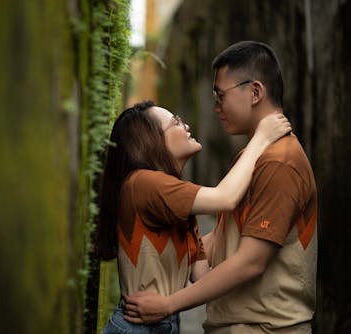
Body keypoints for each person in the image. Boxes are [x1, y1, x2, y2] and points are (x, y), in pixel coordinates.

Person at [123, 41, 318, 333]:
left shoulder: (279, 161)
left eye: (220, 95)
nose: (216, 107)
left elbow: (250, 261)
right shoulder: (255, 155)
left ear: (255, 92)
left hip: (265, 327)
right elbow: (223, 239)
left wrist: (169, 304)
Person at [96, 99, 291, 333]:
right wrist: (261, 138)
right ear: (151, 141)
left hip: (163, 324)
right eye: (175, 122)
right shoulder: (142, 182)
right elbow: (225, 198)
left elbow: (200, 274)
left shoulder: (175, 200)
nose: (185, 125)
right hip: (136, 327)